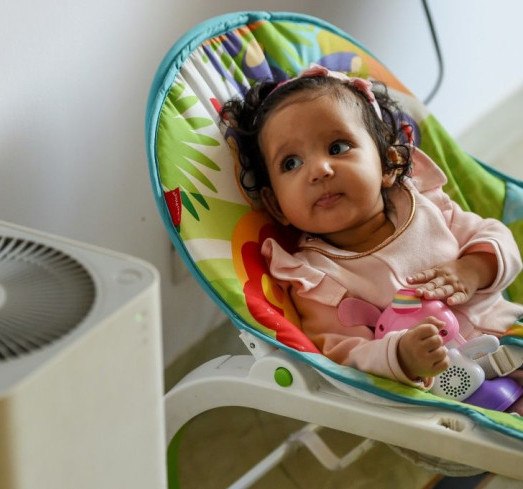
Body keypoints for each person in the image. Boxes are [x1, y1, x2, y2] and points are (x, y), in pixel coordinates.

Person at [219, 64, 523, 402]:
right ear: (276, 207)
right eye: (291, 163)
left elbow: (498, 237)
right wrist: (400, 356)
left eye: (337, 147)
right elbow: (344, 354)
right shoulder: (315, 279)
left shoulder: (424, 205)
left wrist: (473, 269)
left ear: (388, 164)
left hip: (513, 334)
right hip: (464, 398)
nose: (320, 170)